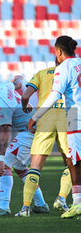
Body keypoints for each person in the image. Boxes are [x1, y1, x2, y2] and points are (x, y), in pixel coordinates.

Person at [0, 72, 49, 217]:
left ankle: (3, 207)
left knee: (6, 164)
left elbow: (5, 133)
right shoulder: (2, 85)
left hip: (30, 132)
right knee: (20, 168)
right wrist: (18, 79)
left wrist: (0, 161)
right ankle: (41, 204)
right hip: (37, 127)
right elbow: (17, 84)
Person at [23, 35, 81, 218]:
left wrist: (35, 116)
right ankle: (70, 201)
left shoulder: (61, 68)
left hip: (72, 114)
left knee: (74, 161)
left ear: (59, 52)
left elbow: (54, 94)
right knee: (73, 159)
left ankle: (77, 203)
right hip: (71, 114)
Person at [21, 63, 72, 213]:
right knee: (72, 163)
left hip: (45, 118)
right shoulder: (73, 74)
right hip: (69, 118)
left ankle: (25, 208)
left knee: (35, 166)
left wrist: (25, 107)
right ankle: (62, 199)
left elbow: (25, 96)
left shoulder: (42, 73)